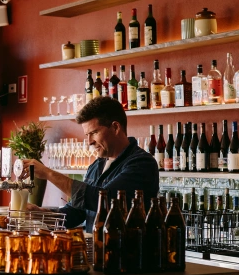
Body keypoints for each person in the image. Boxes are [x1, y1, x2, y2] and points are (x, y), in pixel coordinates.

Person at [23, 97, 159, 231]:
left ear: (115, 127)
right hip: (94, 245)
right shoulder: (96, 166)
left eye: (94, 133)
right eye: (87, 135)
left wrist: (48, 173)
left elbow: (103, 199)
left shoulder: (142, 163)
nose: (89, 142)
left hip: (125, 246)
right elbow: (75, 213)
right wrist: (39, 214)